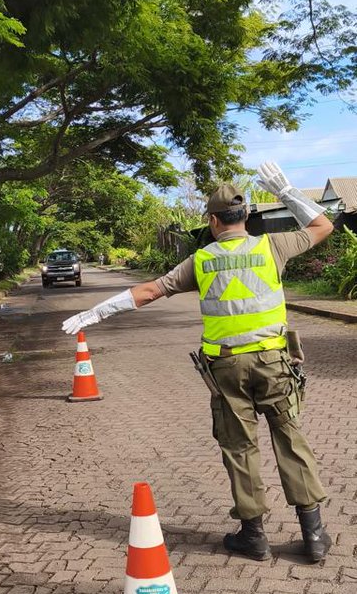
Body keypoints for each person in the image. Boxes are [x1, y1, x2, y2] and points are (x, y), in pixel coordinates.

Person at [62, 161, 334, 564]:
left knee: (239, 449)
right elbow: (322, 227)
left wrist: (97, 312)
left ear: (212, 221)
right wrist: (287, 192)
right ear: (246, 216)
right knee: (291, 441)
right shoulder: (271, 246)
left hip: (225, 370)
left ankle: (254, 536)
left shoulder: (201, 261)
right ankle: (313, 537)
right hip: (275, 363)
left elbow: (152, 290)